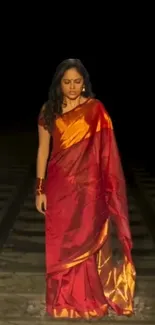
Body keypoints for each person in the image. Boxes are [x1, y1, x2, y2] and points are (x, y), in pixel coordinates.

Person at [35, 58, 136, 320]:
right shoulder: (49, 111)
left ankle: (88, 299)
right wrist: (40, 189)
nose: (71, 86)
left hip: (89, 188)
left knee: (87, 239)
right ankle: (61, 301)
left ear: (84, 84)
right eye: (66, 82)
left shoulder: (96, 110)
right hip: (59, 188)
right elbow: (43, 149)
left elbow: (106, 152)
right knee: (61, 243)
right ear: (59, 84)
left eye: (77, 82)